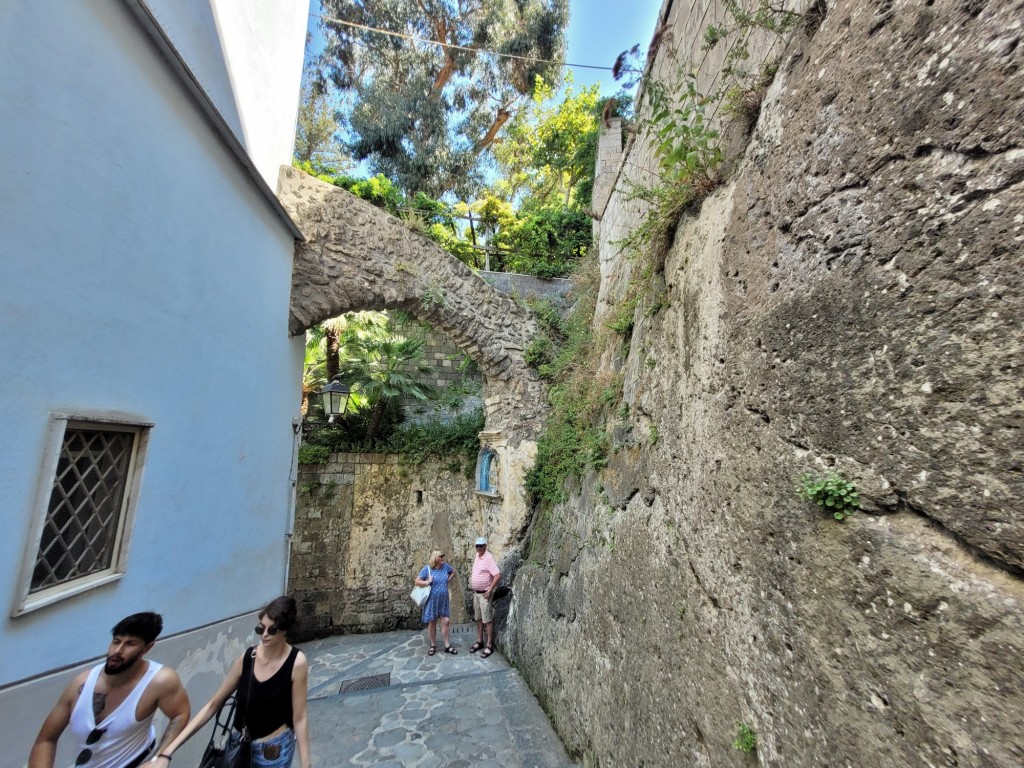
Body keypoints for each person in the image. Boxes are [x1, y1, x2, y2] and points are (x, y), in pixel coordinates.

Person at [149, 596, 311, 768]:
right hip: (238, 747)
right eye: (261, 628)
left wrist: (306, 764)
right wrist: (167, 751)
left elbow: (299, 718)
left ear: (286, 630)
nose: (264, 635)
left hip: (272, 752)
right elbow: (212, 705)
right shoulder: (248, 658)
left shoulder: (296, 662)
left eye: (272, 630)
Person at [29, 612, 191, 768]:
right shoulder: (81, 684)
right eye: (116, 641)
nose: (118, 651)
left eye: (130, 644)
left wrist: (160, 757)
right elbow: (46, 739)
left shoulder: (160, 681)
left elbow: (180, 714)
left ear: (147, 648)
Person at [414, 550, 458, 656]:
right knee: (432, 622)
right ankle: (433, 645)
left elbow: (453, 572)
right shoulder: (427, 569)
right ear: (435, 558)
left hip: (443, 600)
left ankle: (447, 645)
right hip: (431, 600)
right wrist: (427, 582)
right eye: (441, 556)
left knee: (446, 621)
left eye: (443, 556)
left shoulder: (445, 566)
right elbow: (417, 581)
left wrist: (447, 580)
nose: (443, 558)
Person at [467, 537, 501, 659]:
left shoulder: (488, 558)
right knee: (478, 618)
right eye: (477, 546)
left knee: (487, 620)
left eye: (481, 546)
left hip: (484, 594)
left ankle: (489, 645)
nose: (478, 548)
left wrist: (490, 589)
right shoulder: (477, 556)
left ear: (485, 546)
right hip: (476, 593)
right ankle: (479, 641)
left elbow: (497, 575)